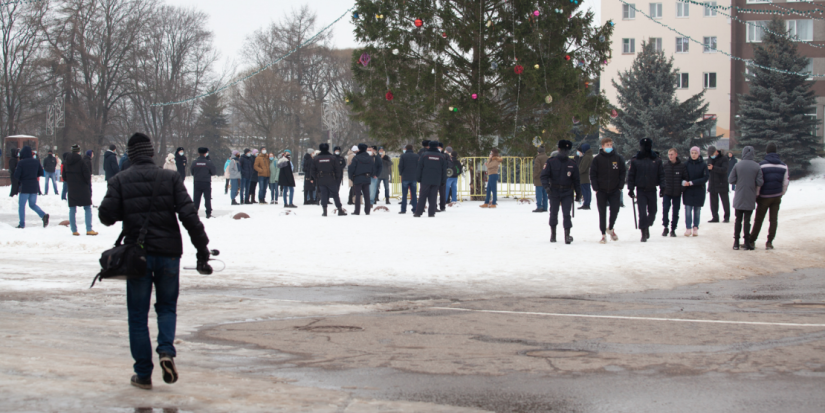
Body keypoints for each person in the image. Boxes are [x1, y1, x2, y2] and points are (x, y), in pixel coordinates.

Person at [98, 132, 211, 391]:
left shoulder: (120, 179)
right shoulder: (170, 178)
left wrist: (125, 202)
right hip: (169, 253)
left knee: (138, 315)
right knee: (167, 307)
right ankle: (166, 351)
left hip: (137, 256)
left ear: (131, 155)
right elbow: (189, 216)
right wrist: (202, 249)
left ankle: (143, 374)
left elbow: (106, 217)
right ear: (151, 153)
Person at [749, 142, 788, 250]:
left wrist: (757, 195)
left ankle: (752, 241)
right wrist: (782, 193)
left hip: (764, 197)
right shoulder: (783, 166)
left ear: (766, 151)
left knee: (759, 219)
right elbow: (785, 182)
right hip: (776, 196)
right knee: (773, 220)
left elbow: (759, 182)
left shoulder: (761, 165)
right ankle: (770, 242)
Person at [540, 140, 580, 244]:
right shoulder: (551, 161)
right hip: (554, 191)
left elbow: (576, 180)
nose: (565, 152)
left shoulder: (572, 163)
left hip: (567, 191)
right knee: (553, 213)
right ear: (558, 149)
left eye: (567, 150)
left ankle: (567, 235)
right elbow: (544, 176)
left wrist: (578, 193)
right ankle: (553, 235)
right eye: (563, 150)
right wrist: (546, 187)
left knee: (567, 214)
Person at [627, 138, 665, 242]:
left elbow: (661, 175)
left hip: (652, 189)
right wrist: (630, 189)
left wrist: (663, 188)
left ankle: (647, 224)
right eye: (644, 146)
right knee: (642, 212)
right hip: (640, 190)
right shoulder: (635, 160)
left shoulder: (656, 159)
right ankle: (643, 232)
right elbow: (631, 175)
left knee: (653, 211)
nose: (646, 148)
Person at [589, 137, 626, 244]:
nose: (609, 147)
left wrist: (620, 186)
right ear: (603, 146)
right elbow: (593, 174)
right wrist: (596, 188)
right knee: (602, 213)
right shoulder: (597, 159)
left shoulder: (618, 158)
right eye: (607, 145)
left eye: (610, 145)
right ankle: (603, 234)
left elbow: (623, 172)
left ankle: (610, 227)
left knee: (615, 210)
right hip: (601, 190)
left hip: (615, 190)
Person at [728, 146, 763, 251]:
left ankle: (736, 242)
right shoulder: (756, 166)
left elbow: (731, 180)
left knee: (738, 220)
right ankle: (747, 243)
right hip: (750, 196)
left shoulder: (738, 165)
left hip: (739, 196)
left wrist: (739, 181)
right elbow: (760, 182)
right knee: (747, 221)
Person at [13, 146, 49, 228]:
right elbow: (41, 172)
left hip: (24, 187)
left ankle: (22, 224)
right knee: (32, 204)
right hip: (34, 187)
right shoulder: (36, 162)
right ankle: (43, 215)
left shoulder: (21, 163)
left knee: (22, 206)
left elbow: (16, 175)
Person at [64, 144, 96, 235]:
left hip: (71, 188)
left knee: (72, 209)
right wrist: (86, 183)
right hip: (82, 188)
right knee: (87, 207)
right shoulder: (82, 162)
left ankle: (74, 230)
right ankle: (89, 229)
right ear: (79, 151)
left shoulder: (66, 162)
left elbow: (64, 176)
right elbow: (87, 175)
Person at [310, 143, 347, 216]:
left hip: (321, 178)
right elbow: (337, 169)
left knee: (323, 194)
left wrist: (316, 178)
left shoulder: (316, 158)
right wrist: (336, 177)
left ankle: (324, 211)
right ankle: (340, 210)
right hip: (331, 178)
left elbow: (312, 170)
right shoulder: (333, 158)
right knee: (335, 194)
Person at [414, 140, 447, 218]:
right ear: (437, 146)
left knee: (422, 196)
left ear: (429, 146)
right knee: (433, 196)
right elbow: (444, 170)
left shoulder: (424, 155)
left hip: (425, 179)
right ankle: (431, 213)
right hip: (436, 179)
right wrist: (443, 181)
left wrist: (418, 178)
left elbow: (420, 167)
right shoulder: (441, 156)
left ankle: (418, 212)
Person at [682, 147, 709, 237]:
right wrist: (684, 182)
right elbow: (682, 176)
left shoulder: (703, 165)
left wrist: (693, 182)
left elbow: (706, 177)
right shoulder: (686, 164)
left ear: (698, 154)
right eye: (692, 153)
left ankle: (695, 227)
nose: (693, 155)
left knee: (697, 210)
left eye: (695, 153)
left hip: (699, 190)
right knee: (688, 209)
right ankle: (688, 228)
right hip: (688, 190)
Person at [661, 148, 686, 237]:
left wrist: (681, 189)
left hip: (677, 193)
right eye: (669, 154)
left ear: (676, 154)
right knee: (665, 209)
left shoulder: (681, 166)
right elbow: (661, 177)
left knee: (675, 211)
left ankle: (673, 229)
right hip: (667, 192)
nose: (670, 156)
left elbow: (685, 178)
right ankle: (665, 226)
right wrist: (663, 188)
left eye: (672, 154)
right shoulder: (665, 165)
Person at [707, 145, 731, 223]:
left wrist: (713, 168)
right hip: (712, 183)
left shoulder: (724, 158)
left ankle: (726, 217)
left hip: (722, 183)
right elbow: (708, 170)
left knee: (725, 201)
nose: (711, 155)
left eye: (712, 154)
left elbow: (724, 169)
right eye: (710, 154)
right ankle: (715, 217)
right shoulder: (710, 159)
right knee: (713, 202)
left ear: (716, 152)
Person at [348, 143, 374, 215]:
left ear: (359, 149)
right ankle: (367, 210)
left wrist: (351, 177)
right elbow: (373, 168)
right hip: (367, 178)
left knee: (357, 195)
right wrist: (370, 175)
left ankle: (357, 211)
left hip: (358, 178)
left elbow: (351, 168)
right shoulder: (370, 158)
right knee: (367, 195)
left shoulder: (356, 158)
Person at [191, 147, 216, 218]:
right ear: (206, 153)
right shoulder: (208, 162)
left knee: (196, 199)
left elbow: (192, 172)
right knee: (207, 198)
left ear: (198, 153)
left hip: (197, 182)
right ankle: (208, 213)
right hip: (206, 183)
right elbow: (213, 172)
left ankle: (194, 213)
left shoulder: (194, 162)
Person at [398, 144, 418, 214]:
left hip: (405, 177)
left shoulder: (403, 156)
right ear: (412, 149)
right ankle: (415, 209)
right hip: (414, 177)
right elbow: (418, 166)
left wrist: (401, 173)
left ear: (406, 149)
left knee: (404, 194)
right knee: (414, 194)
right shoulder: (416, 156)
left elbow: (400, 166)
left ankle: (403, 209)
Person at [532, 147, 549, 213]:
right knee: (545, 194)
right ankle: (545, 207)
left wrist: (534, 175)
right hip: (546, 178)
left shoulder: (538, 158)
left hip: (539, 178)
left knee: (539, 194)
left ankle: (539, 207)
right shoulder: (547, 157)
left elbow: (537, 168)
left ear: (538, 152)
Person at [577, 143, 593, 210]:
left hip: (584, 177)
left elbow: (583, 168)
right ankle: (587, 203)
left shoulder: (586, 157)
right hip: (586, 176)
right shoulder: (589, 155)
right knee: (587, 190)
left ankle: (586, 204)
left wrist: (577, 173)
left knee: (585, 191)